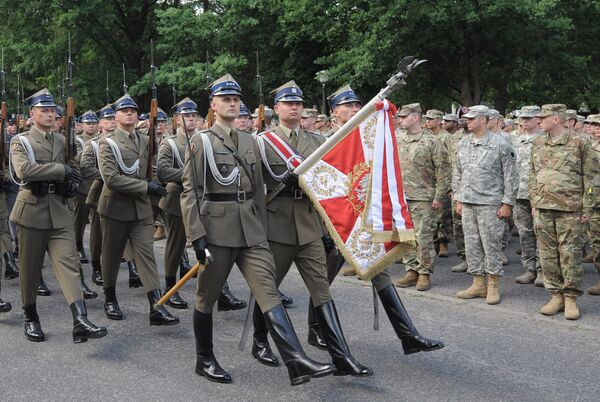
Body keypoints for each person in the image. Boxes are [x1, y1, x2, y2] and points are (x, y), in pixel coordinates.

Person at [180, 74, 336, 385]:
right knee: (206, 297)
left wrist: (264, 227)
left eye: (236, 99)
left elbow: (259, 191)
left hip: (251, 229)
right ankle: (205, 358)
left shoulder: (251, 141)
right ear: (213, 105)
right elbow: (191, 192)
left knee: (268, 292)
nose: (233, 103)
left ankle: (296, 360)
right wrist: (196, 237)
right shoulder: (202, 141)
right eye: (226, 99)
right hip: (218, 229)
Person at [252, 80, 372, 375]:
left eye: (298, 103)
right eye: (288, 103)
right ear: (276, 108)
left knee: (322, 291)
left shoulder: (318, 141)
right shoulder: (261, 142)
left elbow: (329, 189)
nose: (294, 107)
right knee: (269, 289)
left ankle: (342, 356)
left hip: (308, 225)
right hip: (276, 225)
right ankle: (259, 341)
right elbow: (255, 189)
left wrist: (327, 229)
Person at [10, 88, 107, 343]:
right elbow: (24, 171)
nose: (51, 114)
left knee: (70, 264)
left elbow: (74, 167)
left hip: (61, 210)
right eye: (44, 110)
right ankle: (30, 316)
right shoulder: (21, 141)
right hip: (32, 210)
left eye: (53, 110)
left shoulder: (64, 141)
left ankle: (80, 319)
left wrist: (72, 180)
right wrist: (60, 170)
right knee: (29, 271)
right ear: (32, 114)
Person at [96, 93, 179, 325]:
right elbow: (111, 179)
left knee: (146, 255)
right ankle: (110, 297)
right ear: (116, 116)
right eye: (125, 111)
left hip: (140, 209)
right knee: (112, 256)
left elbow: (149, 168)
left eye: (133, 110)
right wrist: (145, 186)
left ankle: (156, 305)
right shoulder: (107, 142)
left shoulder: (144, 140)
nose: (130, 114)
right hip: (115, 207)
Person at [530, 104, 593, 320]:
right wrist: (534, 201)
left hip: (571, 209)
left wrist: (587, 206)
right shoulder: (538, 142)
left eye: (543, 117)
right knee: (547, 255)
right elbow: (532, 173)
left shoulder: (579, 142)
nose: (539, 120)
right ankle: (555, 295)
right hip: (544, 207)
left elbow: (592, 178)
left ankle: (570, 298)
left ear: (556, 119)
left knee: (570, 254)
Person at [454, 105, 518, 305]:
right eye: (467, 118)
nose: (467, 121)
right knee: (472, 245)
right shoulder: (463, 144)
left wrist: (507, 203)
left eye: (472, 118)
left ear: (483, 119)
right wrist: (458, 198)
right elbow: (458, 173)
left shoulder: (501, 144)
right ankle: (478, 282)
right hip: (468, 202)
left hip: (491, 203)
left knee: (491, 245)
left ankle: (493, 285)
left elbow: (511, 177)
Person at [394, 104, 450, 291]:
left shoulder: (431, 141)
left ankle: (424, 272)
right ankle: (411, 270)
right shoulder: (397, 138)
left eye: (403, 116)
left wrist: (439, 196)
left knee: (424, 237)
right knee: (406, 236)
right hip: (401, 197)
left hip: (424, 197)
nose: (400, 120)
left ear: (415, 117)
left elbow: (443, 170)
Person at [80, 104, 117, 286]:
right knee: (97, 231)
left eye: (113, 118)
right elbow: (86, 167)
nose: (111, 122)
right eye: (108, 119)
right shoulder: (92, 144)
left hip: (120, 191)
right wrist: (109, 177)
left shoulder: (120, 141)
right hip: (100, 189)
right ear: (101, 122)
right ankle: (96, 265)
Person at [512, 106, 543, 286]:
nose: (524, 122)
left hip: (537, 194)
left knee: (540, 234)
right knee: (525, 234)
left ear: (537, 119)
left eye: (528, 119)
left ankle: (541, 270)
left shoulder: (543, 140)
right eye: (522, 119)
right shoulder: (515, 139)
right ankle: (529, 268)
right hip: (519, 193)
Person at [423, 108, 452, 258]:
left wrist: (450, 185)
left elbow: (450, 162)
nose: (428, 121)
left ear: (439, 121)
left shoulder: (446, 137)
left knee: (443, 215)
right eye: (426, 119)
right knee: (430, 214)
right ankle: (432, 242)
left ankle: (443, 243)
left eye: (431, 119)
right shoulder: (425, 136)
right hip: (428, 181)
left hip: (441, 180)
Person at [586, 114, 600, 295]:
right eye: (594, 125)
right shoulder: (590, 147)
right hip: (595, 201)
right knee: (597, 243)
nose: (596, 128)